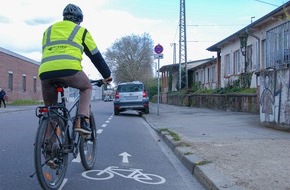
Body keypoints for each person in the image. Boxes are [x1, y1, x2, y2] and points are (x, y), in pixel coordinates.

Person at [39, 4, 112, 134]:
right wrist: (107, 75)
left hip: (46, 72)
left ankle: (48, 143)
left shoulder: (48, 30)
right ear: (79, 20)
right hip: (71, 71)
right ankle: (82, 120)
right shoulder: (81, 31)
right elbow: (95, 56)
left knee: (51, 110)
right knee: (86, 87)